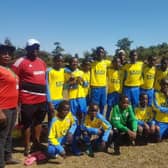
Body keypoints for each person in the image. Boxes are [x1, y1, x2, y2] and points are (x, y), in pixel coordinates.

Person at [12, 39, 47, 156]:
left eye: (37, 48)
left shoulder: (42, 62)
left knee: (39, 122)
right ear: (27, 49)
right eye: (33, 48)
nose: (35, 50)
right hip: (27, 99)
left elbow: (44, 80)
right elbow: (13, 79)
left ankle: (36, 143)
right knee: (26, 123)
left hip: (41, 99)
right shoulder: (20, 62)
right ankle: (26, 146)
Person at [0, 43, 20, 168]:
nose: (7, 55)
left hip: (13, 107)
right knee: (2, 136)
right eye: (3, 53)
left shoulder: (9, 69)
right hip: (4, 108)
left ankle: (8, 157)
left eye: (9, 53)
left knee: (9, 135)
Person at [90, 47, 110, 115]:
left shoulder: (106, 63)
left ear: (104, 54)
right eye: (99, 52)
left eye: (102, 52)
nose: (100, 54)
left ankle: (101, 120)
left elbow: (117, 63)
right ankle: (92, 121)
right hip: (95, 88)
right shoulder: (92, 63)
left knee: (103, 105)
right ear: (96, 53)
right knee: (94, 106)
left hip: (103, 88)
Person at [46, 54, 64, 120]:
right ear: (54, 61)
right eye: (58, 61)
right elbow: (46, 87)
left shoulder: (63, 71)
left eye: (62, 61)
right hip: (52, 100)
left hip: (60, 99)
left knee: (60, 118)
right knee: (52, 119)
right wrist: (49, 102)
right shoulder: (49, 71)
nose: (60, 63)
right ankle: (50, 129)